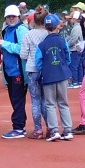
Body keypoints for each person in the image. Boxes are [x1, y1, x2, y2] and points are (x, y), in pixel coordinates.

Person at [34, 13, 75, 141]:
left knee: (50, 104)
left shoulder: (42, 45)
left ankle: (54, 131)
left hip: (48, 77)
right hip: (62, 75)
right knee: (63, 103)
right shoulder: (63, 41)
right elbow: (68, 58)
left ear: (46, 27)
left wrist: (45, 69)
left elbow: (38, 62)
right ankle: (68, 130)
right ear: (58, 26)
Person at [0, 5, 28, 139]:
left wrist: (5, 44)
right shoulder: (6, 30)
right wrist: (1, 47)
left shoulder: (21, 30)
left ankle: (18, 128)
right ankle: (20, 126)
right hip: (9, 71)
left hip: (18, 71)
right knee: (15, 100)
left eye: (13, 16)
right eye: (8, 16)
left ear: (18, 17)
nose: (11, 19)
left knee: (17, 99)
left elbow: (22, 49)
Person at [19, 7, 49, 138]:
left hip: (32, 70)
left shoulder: (28, 35)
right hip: (47, 70)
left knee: (36, 100)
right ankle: (51, 127)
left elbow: (23, 55)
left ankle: (38, 129)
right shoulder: (49, 34)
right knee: (46, 100)